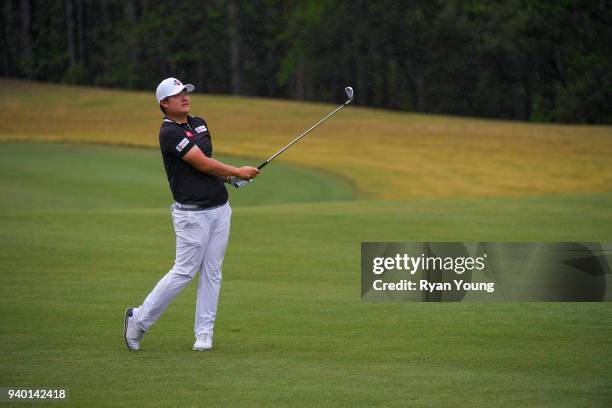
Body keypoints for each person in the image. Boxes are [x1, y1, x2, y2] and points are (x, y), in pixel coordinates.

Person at [124, 77, 259, 351]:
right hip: (191, 215)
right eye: (177, 94)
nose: (184, 97)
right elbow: (202, 162)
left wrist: (230, 181)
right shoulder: (169, 133)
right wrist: (237, 171)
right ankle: (138, 320)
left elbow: (206, 168)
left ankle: (204, 334)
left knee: (212, 272)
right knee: (184, 271)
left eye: (185, 92)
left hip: (220, 209)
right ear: (164, 103)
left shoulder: (200, 123)